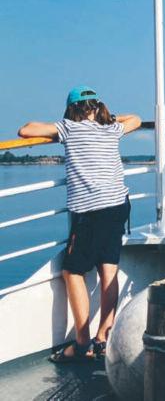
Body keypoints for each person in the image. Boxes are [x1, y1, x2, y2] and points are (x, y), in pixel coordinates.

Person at [18, 86, 141, 362]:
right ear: (96, 107)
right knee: (108, 270)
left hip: (91, 212)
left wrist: (61, 124)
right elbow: (136, 119)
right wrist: (109, 117)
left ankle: (83, 342)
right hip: (118, 205)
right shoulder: (111, 129)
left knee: (72, 272)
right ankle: (103, 338)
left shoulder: (68, 128)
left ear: (71, 110)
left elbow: (25, 130)